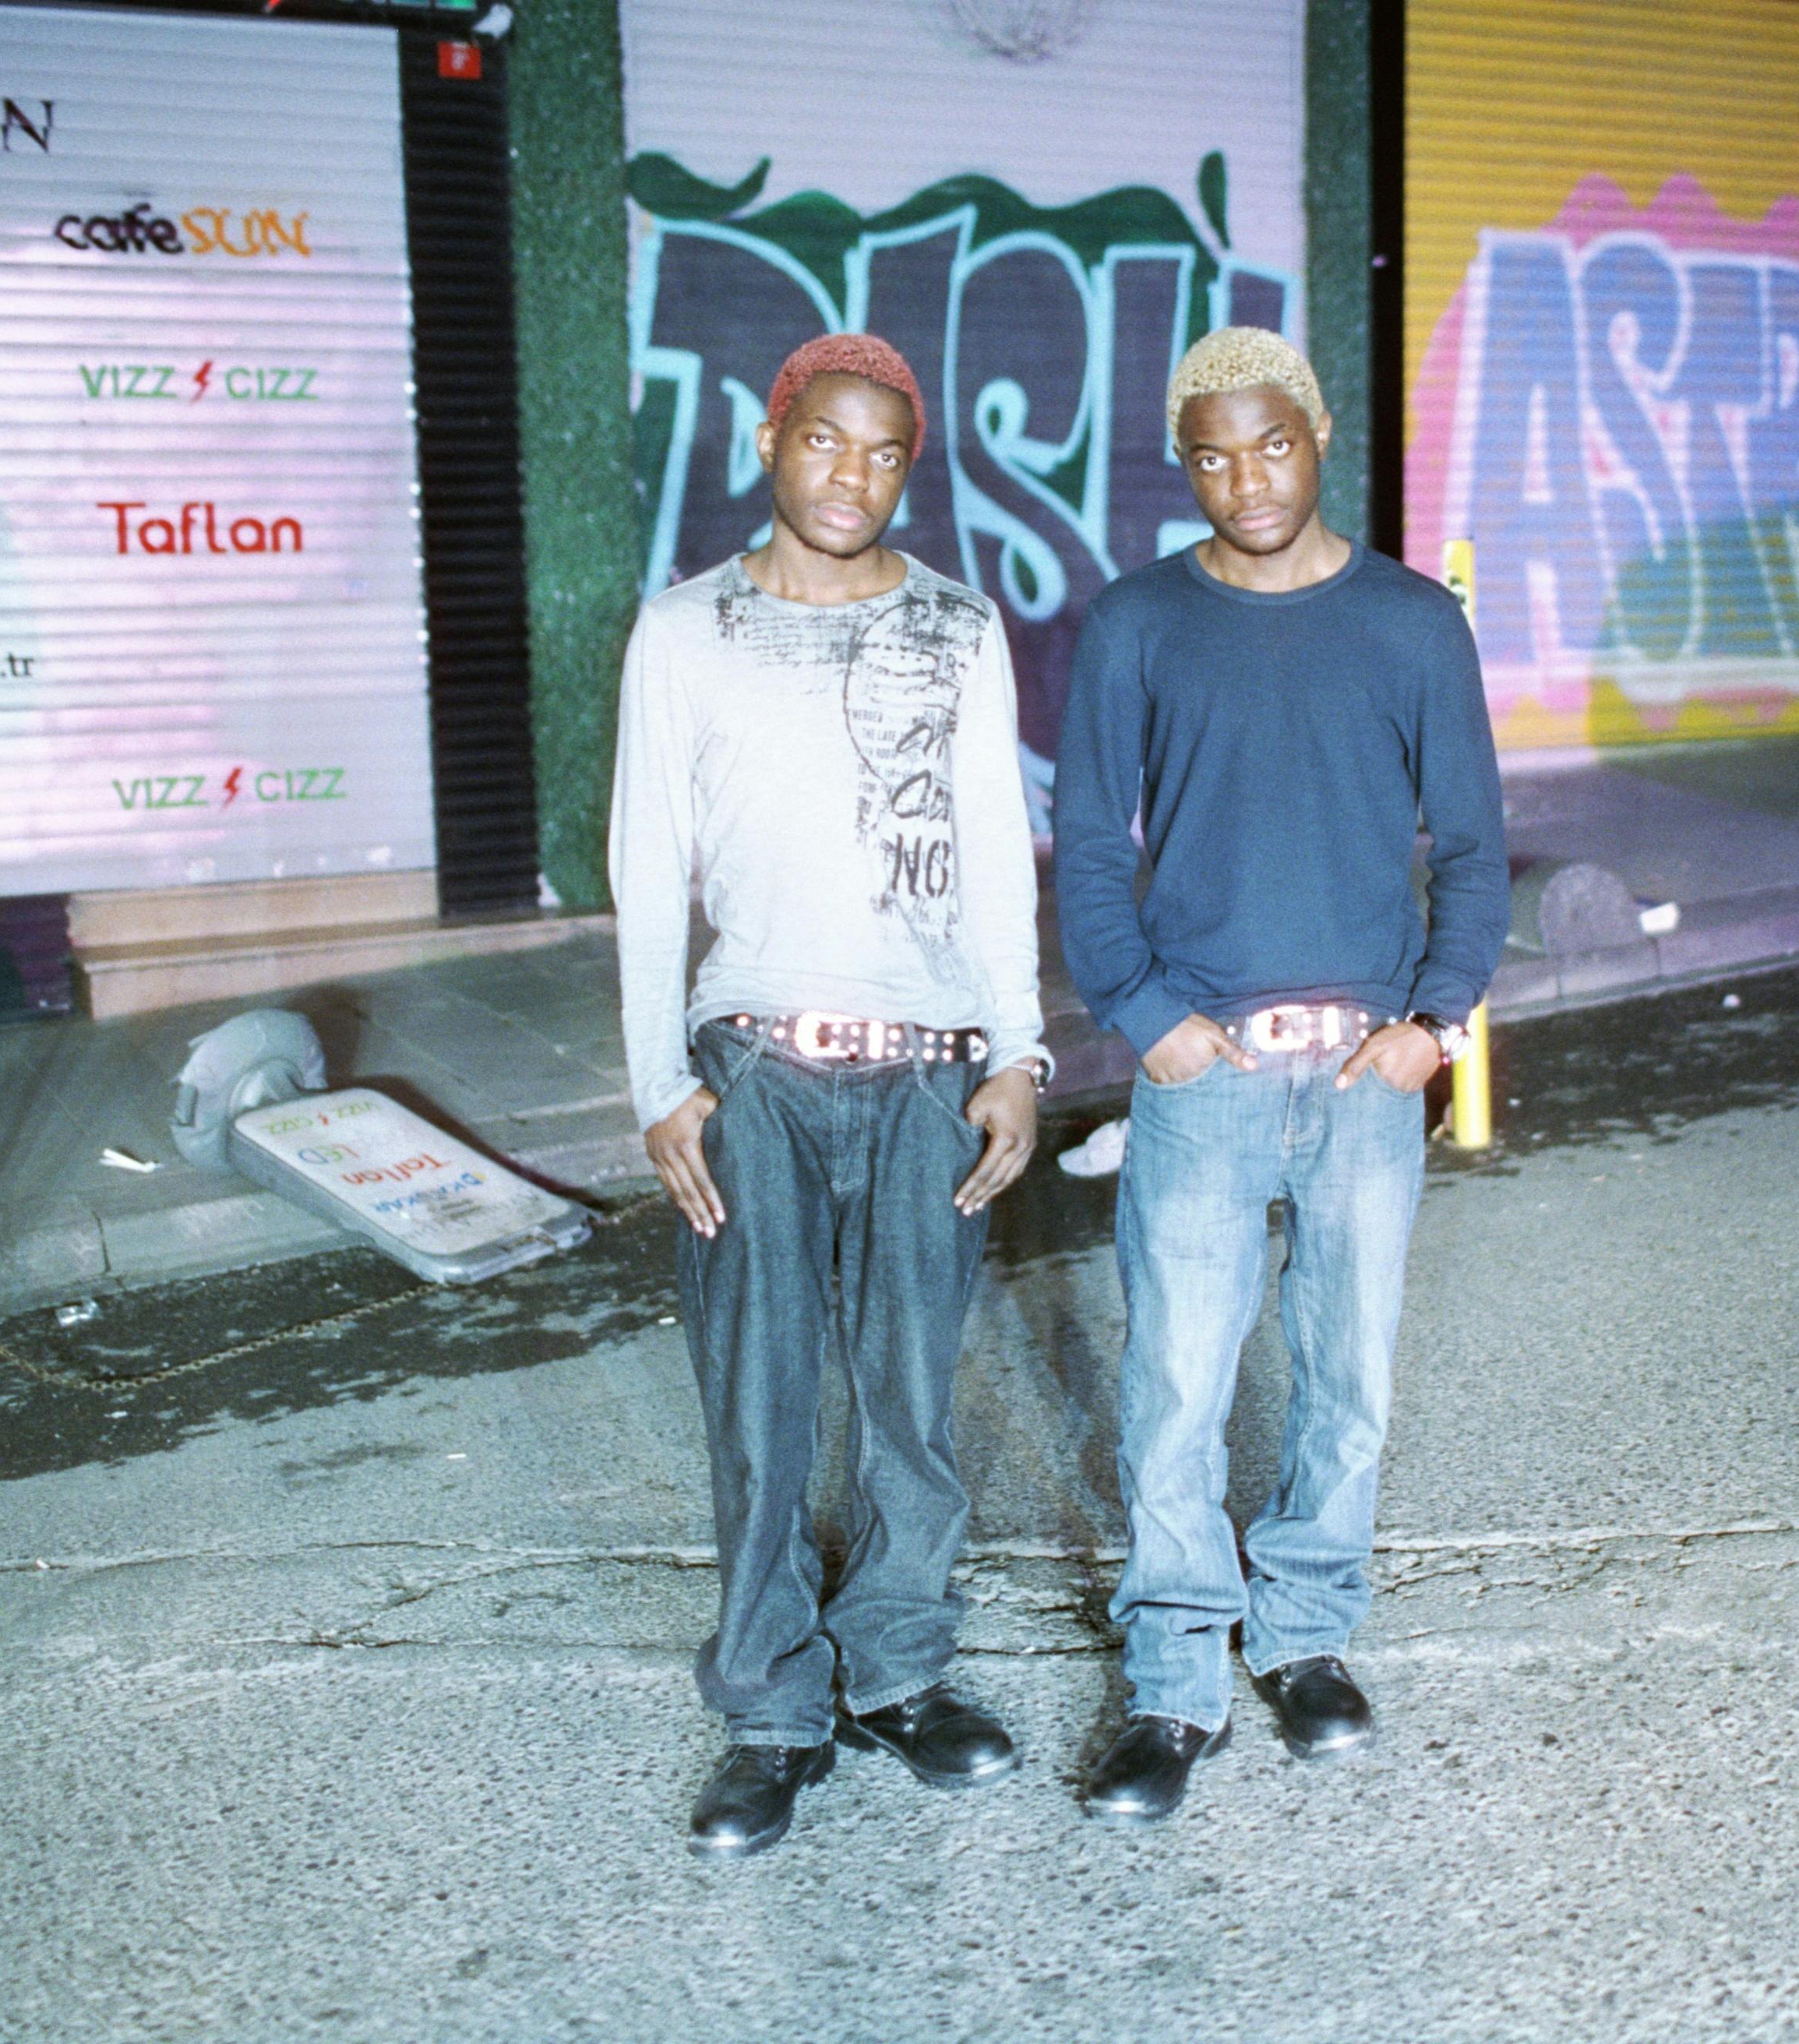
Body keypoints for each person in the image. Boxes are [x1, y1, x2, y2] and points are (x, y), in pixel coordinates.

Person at [1052, 326, 1511, 1825]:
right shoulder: (1135, 624)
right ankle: (1177, 1676)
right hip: (1206, 1069)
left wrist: (1431, 1025)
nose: (1243, 477)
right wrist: (1146, 1015)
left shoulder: (1410, 623)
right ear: (1181, 461)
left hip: (1366, 1075)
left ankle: (1305, 1631)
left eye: (1270, 443)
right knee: (1178, 1379)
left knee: (1349, 1376)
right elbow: (1092, 849)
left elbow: (1478, 849)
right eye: (1209, 452)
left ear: (1317, 436)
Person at [610, 332, 1051, 1860]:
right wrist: (658, 1077)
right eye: (824, 442)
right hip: (758, 1071)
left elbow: (996, 847)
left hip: (927, 1066)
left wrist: (1019, 1049)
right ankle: (776, 1701)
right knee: (761, 1407)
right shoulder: (686, 631)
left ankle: (902, 1667)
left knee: (916, 1403)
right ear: (769, 438)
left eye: (882, 453)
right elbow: (645, 867)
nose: (850, 475)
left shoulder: (956, 625)